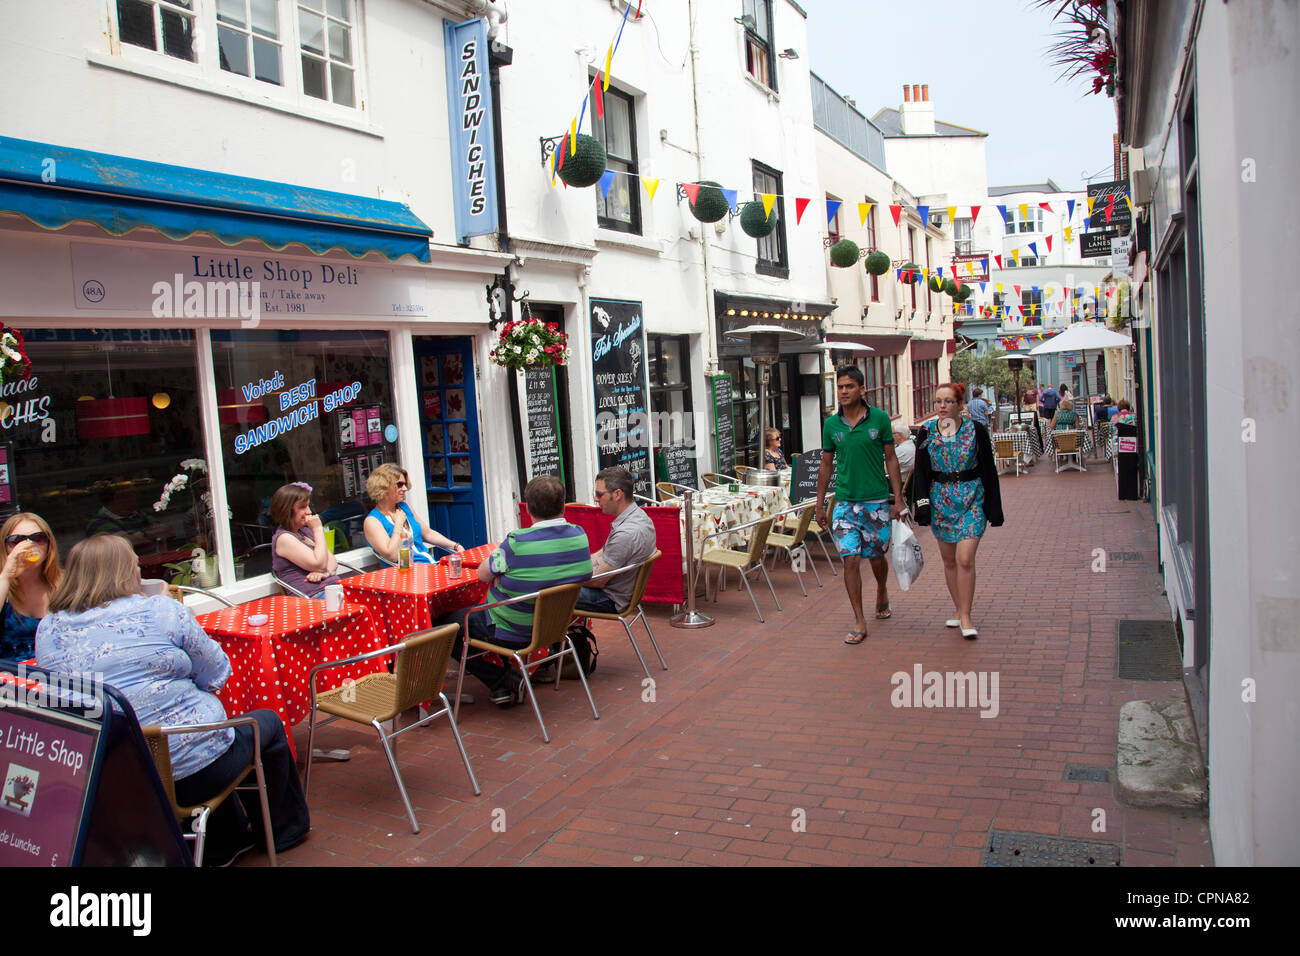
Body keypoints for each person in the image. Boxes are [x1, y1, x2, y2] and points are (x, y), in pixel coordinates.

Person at [35, 535, 309, 866]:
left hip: (113, 778)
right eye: (134, 563)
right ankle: (283, 832)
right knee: (263, 724)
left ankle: (227, 838)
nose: (138, 569)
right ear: (123, 572)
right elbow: (216, 672)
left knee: (214, 734)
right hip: (191, 771)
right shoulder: (161, 610)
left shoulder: (48, 628)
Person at [438, 476, 592, 705]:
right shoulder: (579, 536)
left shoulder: (517, 542)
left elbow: (482, 574)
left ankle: (502, 679)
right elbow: (586, 573)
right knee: (492, 611)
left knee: (445, 628)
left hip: (512, 629)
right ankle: (503, 686)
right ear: (562, 506)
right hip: (554, 626)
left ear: (528, 508)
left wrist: (505, 580)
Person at [815, 366, 906, 646]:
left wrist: (898, 498)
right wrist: (820, 506)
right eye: (840, 387)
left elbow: (891, 458)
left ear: (862, 389)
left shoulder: (879, 419)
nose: (843, 391)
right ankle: (859, 619)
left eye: (849, 386)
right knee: (851, 559)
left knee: (876, 557)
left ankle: (881, 589)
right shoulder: (831, 425)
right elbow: (826, 465)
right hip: (844, 503)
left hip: (876, 502)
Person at [911, 383, 1004, 640]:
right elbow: (921, 471)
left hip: (971, 497)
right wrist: (922, 505)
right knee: (949, 560)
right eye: (938, 401)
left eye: (948, 401)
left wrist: (994, 508)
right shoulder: (927, 431)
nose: (942, 406)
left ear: (960, 405)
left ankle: (966, 615)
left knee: (965, 558)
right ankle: (958, 608)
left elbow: (988, 468)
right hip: (940, 500)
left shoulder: (975, 429)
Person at [575, 466, 656, 615]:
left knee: (548, 592)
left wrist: (564, 576)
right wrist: (578, 565)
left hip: (610, 599)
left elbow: (597, 581)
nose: (595, 498)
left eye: (599, 494)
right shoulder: (640, 517)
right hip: (623, 594)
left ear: (618, 494)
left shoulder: (625, 534)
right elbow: (603, 554)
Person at [364, 463, 463, 566]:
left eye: (405, 484)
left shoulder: (404, 507)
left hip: (431, 565)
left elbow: (428, 534)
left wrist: (455, 546)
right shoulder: (373, 521)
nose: (405, 489)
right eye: (399, 484)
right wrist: (398, 524)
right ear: (384, 487)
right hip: (408, 574)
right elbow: (392, 555)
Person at [0, 513, 61, 662]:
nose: (28, 545)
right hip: (12, 679)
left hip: (58, 677)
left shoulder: (66, 583)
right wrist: (6, 576)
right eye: (17, 541)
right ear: (5, 547)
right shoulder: (2, 584)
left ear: (49, 544)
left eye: (38, 538)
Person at [270, 483, 339, 598]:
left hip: (331, 589)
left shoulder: (305, 531)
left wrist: (324, 573)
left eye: (308, 506)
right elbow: (319, 564)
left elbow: (332, 561)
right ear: (287, 510)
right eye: (302, 507)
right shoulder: (284, 538)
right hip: (313, 597)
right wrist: (318, 529)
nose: (309, 512)